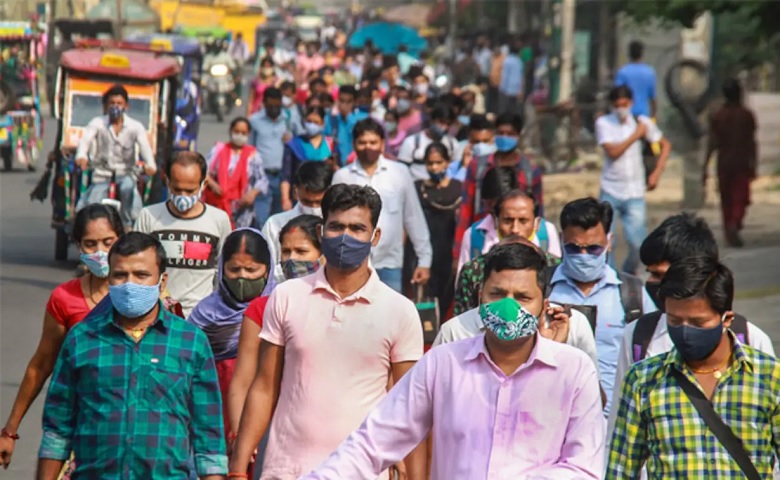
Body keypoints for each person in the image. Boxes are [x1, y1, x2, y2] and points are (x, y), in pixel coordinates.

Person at [301, 242, 606, 479]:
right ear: (479, 296)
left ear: (544, 304)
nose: (508, 307)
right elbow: (374, 442)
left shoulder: (573, 371)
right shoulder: (443, 365)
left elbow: (584, 468)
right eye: (497, 294)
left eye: (522, 297)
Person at [229, 184, 426, 480]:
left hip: (363, 473)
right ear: (322, 232)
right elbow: (264, 387)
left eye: (357, 228)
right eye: (336, 226)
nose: (345, 236)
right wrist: (237, 468)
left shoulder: (400, 310)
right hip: (286, 470)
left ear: (375, 237)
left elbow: (408, 407)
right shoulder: (287, 297)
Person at [37, 233, 227, 479]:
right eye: (120, 275)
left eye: (141, 275)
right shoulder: (81, 339)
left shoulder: (191, 343)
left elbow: (209, 437)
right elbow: (57, 430)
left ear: (162, 281)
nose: (129, 284)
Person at [607, 256, 780, 479]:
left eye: (698, 323)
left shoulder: (770, 378)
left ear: (726, 319)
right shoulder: (643, 380)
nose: (685, 332)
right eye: (675, 322)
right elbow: (621, 470)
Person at [606, 213, 775, 441]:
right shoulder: (638, 337)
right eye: (651, 274)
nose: (653, 284)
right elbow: (621, 432)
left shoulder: (750, 339)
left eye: (661, 275)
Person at [0, 205, 123, 470]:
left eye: (108, 242)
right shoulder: (65, 299)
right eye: (90, 244)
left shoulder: (140, 297)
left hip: (131, 428)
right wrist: (10, 430)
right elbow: (41, 365)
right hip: (79, 427)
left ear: (121, 241)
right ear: (78, 247)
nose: (100, 252)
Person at [548, 197, 657, 414]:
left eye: (593, 249)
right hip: (554, 415)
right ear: (561, 240)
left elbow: (655, 355)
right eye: (574, 248)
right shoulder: (543, 290)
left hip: (615, 419)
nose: (583, 256)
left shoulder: (631, 293)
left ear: (609, 242)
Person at [227, 216, 323, 446]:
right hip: (269, 427)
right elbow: (242, 381)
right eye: (286, 252)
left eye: (301, 251)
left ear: (323, 255)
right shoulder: (262, 308)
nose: (291, 260)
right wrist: (241, 435)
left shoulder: (340, 307)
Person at [187, 228, 274, 472]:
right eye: (234, 270)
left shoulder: (280, 307)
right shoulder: (205, 314)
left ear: (267, 269)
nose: (242, 278)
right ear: (222, 268)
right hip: (216, 406)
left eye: (251, 270)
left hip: (269, 408)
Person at [332, 119, 432, 292]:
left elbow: (413, 217)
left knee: (389, 317)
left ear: (382, 144)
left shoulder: (399, 173)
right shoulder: (342, 176)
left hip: (389, 264)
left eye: (373, 142)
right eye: (362, 142)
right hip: (350, 264)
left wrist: (424, 260)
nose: (368, 147)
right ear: (354, 144)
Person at [135, 151, 233, 316]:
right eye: (177, 189)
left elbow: (224, 270)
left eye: (190, 191)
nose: (183, 197)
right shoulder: (149, 216)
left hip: (201, 316)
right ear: (167, 182)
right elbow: (136, 265)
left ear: (204, 185)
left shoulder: (219, 220)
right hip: (158, 314)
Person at [596, 85, 671, 274]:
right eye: (617, 105)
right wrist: (636, 135)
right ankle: (611, 278)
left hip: (635, 192)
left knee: (639, 244)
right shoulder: (604, 123)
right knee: (605, 242)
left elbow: (665, 145)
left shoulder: (642, 121)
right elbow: (612, 152)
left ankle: (628, 274)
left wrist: (657, 173)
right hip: (610, 190)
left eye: (624, 104)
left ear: (630, 103)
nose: (621, 108)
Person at [454, 112, 544, 258]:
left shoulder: (530, 171)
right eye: (501, 133)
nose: (505, 137)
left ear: (519, 135)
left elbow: (538, 212)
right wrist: (458, 251)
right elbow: (466, 208)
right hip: (482, 239)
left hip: (519, 241)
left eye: (510, 134)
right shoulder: (478, 166)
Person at [75, 84, 156, 229]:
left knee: (130, 197)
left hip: (126, 174)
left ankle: (126, 225)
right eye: (112, 103)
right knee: (90, 206)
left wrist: (150, 165)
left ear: (126, 106)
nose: (115, 106)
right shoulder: (97, 123)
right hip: (101, 174)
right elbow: (85, 141)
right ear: (106, 106)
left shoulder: (135, 127)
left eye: (119, 103)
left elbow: (145, 148)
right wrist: (82, 157)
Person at [403, 143, 461, 313]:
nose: (434, 168)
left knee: (446, 295)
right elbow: (408, 220)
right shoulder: (417, 188)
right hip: (419, 250)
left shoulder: (457, 188)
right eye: (430, 163)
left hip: (447, 249)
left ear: (447, 162)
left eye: (439, 162)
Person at [704, 78, 758, 247]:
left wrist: (705, 165)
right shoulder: (747, 115)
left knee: (726, 199)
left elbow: (712, 142)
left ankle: (729, 228)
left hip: (724, 163)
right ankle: (735, 222)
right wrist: (754, 163)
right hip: (742, 163)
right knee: (740, 198)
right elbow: (752, 142)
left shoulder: (719, 115)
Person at [458, 189, 561, 274]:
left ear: (537, 223)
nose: (515, 229)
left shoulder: (554, 268)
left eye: (523, 221)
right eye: (508, 221)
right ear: (496, 222)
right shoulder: (474, 271)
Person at [263, 161, 333, 284]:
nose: (313, 207)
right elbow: (267, 270)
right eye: (307, 202)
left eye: (319, 202)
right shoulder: (275, 224)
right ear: (295, 192)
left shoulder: (337, 226)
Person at [202, 117, 268, 229]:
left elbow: (262, 179)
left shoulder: (253, 155)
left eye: (243, 133)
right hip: (217, 205)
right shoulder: (218, 150)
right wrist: (213, 185)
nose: (240, 135)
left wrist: (252, 194)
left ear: (248, 134)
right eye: (237, 132)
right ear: (231, 131)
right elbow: (202, 171)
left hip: (242, 210)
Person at [249, 87, 296, 227]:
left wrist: (291, 139)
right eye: (270, 105)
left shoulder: (288, 119)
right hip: (262, 175)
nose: (274, 108)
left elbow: (300, 139)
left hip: (283, 177)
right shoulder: (255, 120)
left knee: (280, 217)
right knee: (261, 218)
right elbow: (250, 147)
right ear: (264, 103)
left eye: (277, 105)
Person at [280, 106, 334, 210]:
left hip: (323, 198)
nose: (312, 125)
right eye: (309, 121)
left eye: (316, 122)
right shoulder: (294, 144)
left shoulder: (330, 145)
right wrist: (285, 199)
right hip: (299, 197)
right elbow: (286, 175)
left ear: (323, 124)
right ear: (304, 121)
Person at [397, 104, 459, 181]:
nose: (445, 127)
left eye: (448, 124)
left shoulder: (452, 143)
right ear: (432, 120)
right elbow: (401, 170)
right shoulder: (412, 142)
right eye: (442, 122)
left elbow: (455, 168)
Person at [326, 86, 368, 166]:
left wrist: (348, 116)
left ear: (355, 102)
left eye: (349, 102)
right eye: (342, 101)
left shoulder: (363, 118)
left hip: (358, 164)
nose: (344, 105)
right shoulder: (331, 120)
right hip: (337, 165)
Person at [615, 41, 657, 118]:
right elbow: (653, 98)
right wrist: (653, 116)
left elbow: (618, 95)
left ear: (629, 53)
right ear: (642, 54)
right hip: (643, 114)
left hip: (626, 115)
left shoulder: (623, 72)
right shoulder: (649, 73)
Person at [498, 40, 524, 114]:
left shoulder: (507, 61)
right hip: (516, 90)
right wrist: (520, 90)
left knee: (504, 110)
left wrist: (502, 87)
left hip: (506, 89)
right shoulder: (519, 61)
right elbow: (520, 77)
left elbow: (505, 76)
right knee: (513, 110)